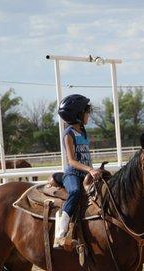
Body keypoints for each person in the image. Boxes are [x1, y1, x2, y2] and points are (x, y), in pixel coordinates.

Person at [54, 94, 102, 248]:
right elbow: (72, 161)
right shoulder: (69, 134)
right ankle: (60, 235)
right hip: (73, 174)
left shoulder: (82, 131)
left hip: (87, 174)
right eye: (86, 112)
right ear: (77, 114)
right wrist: (90, 169)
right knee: (74, 192)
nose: (88, 115)